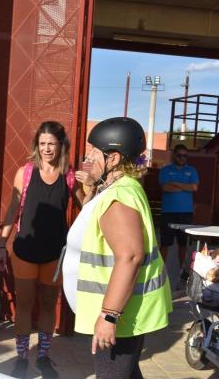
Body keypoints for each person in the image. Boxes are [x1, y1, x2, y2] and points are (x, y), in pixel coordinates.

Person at [64, 117, 172, 379]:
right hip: (122, 312)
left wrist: (109, 316)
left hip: (120, 316)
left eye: (94, 153)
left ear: (113, 158)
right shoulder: (116, 189)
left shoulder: (119, 196)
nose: (89, 158)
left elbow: (130, 256)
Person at [0, 121, 84, 379]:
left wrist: (91, 184)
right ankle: (22, 358)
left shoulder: (68, 175)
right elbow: (13, 210)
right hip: (24, 250)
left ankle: (43, 356)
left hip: (55, 254)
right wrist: (2, 244)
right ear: (37, 146)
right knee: (23, 304)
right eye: (42, 143)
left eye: (51, 144)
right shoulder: (26, 172)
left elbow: (87, 206)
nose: (46, 149)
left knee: (47, 304)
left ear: (60, 145)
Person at [158, 144, 199, 283]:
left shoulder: (191, 170)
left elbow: (194, 187)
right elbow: (166, 188)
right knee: (165, 244)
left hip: (186, 213)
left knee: (183, 244)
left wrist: (175, 183)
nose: (182, 158)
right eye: (179, 155)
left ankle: (182, 271)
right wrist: (184, 187)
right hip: (168, 212)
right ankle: (160, 271)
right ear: (174, 155)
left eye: (185, 155)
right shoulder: (165, 170)